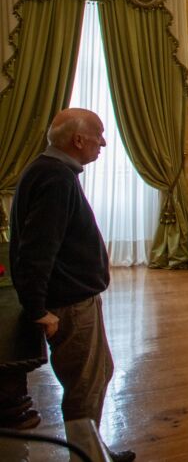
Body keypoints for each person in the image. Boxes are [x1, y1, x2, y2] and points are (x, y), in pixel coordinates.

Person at [9, 109, 134, 462]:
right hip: (69, 303)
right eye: (99, 135)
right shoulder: (56, 179)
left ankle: (93, 448)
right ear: (78, 140)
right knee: (84, 386)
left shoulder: (49, 170)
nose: (103, 142)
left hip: (72, 298)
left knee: (99, 371)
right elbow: (37, 250)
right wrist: (38, 310)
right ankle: (87, 456)